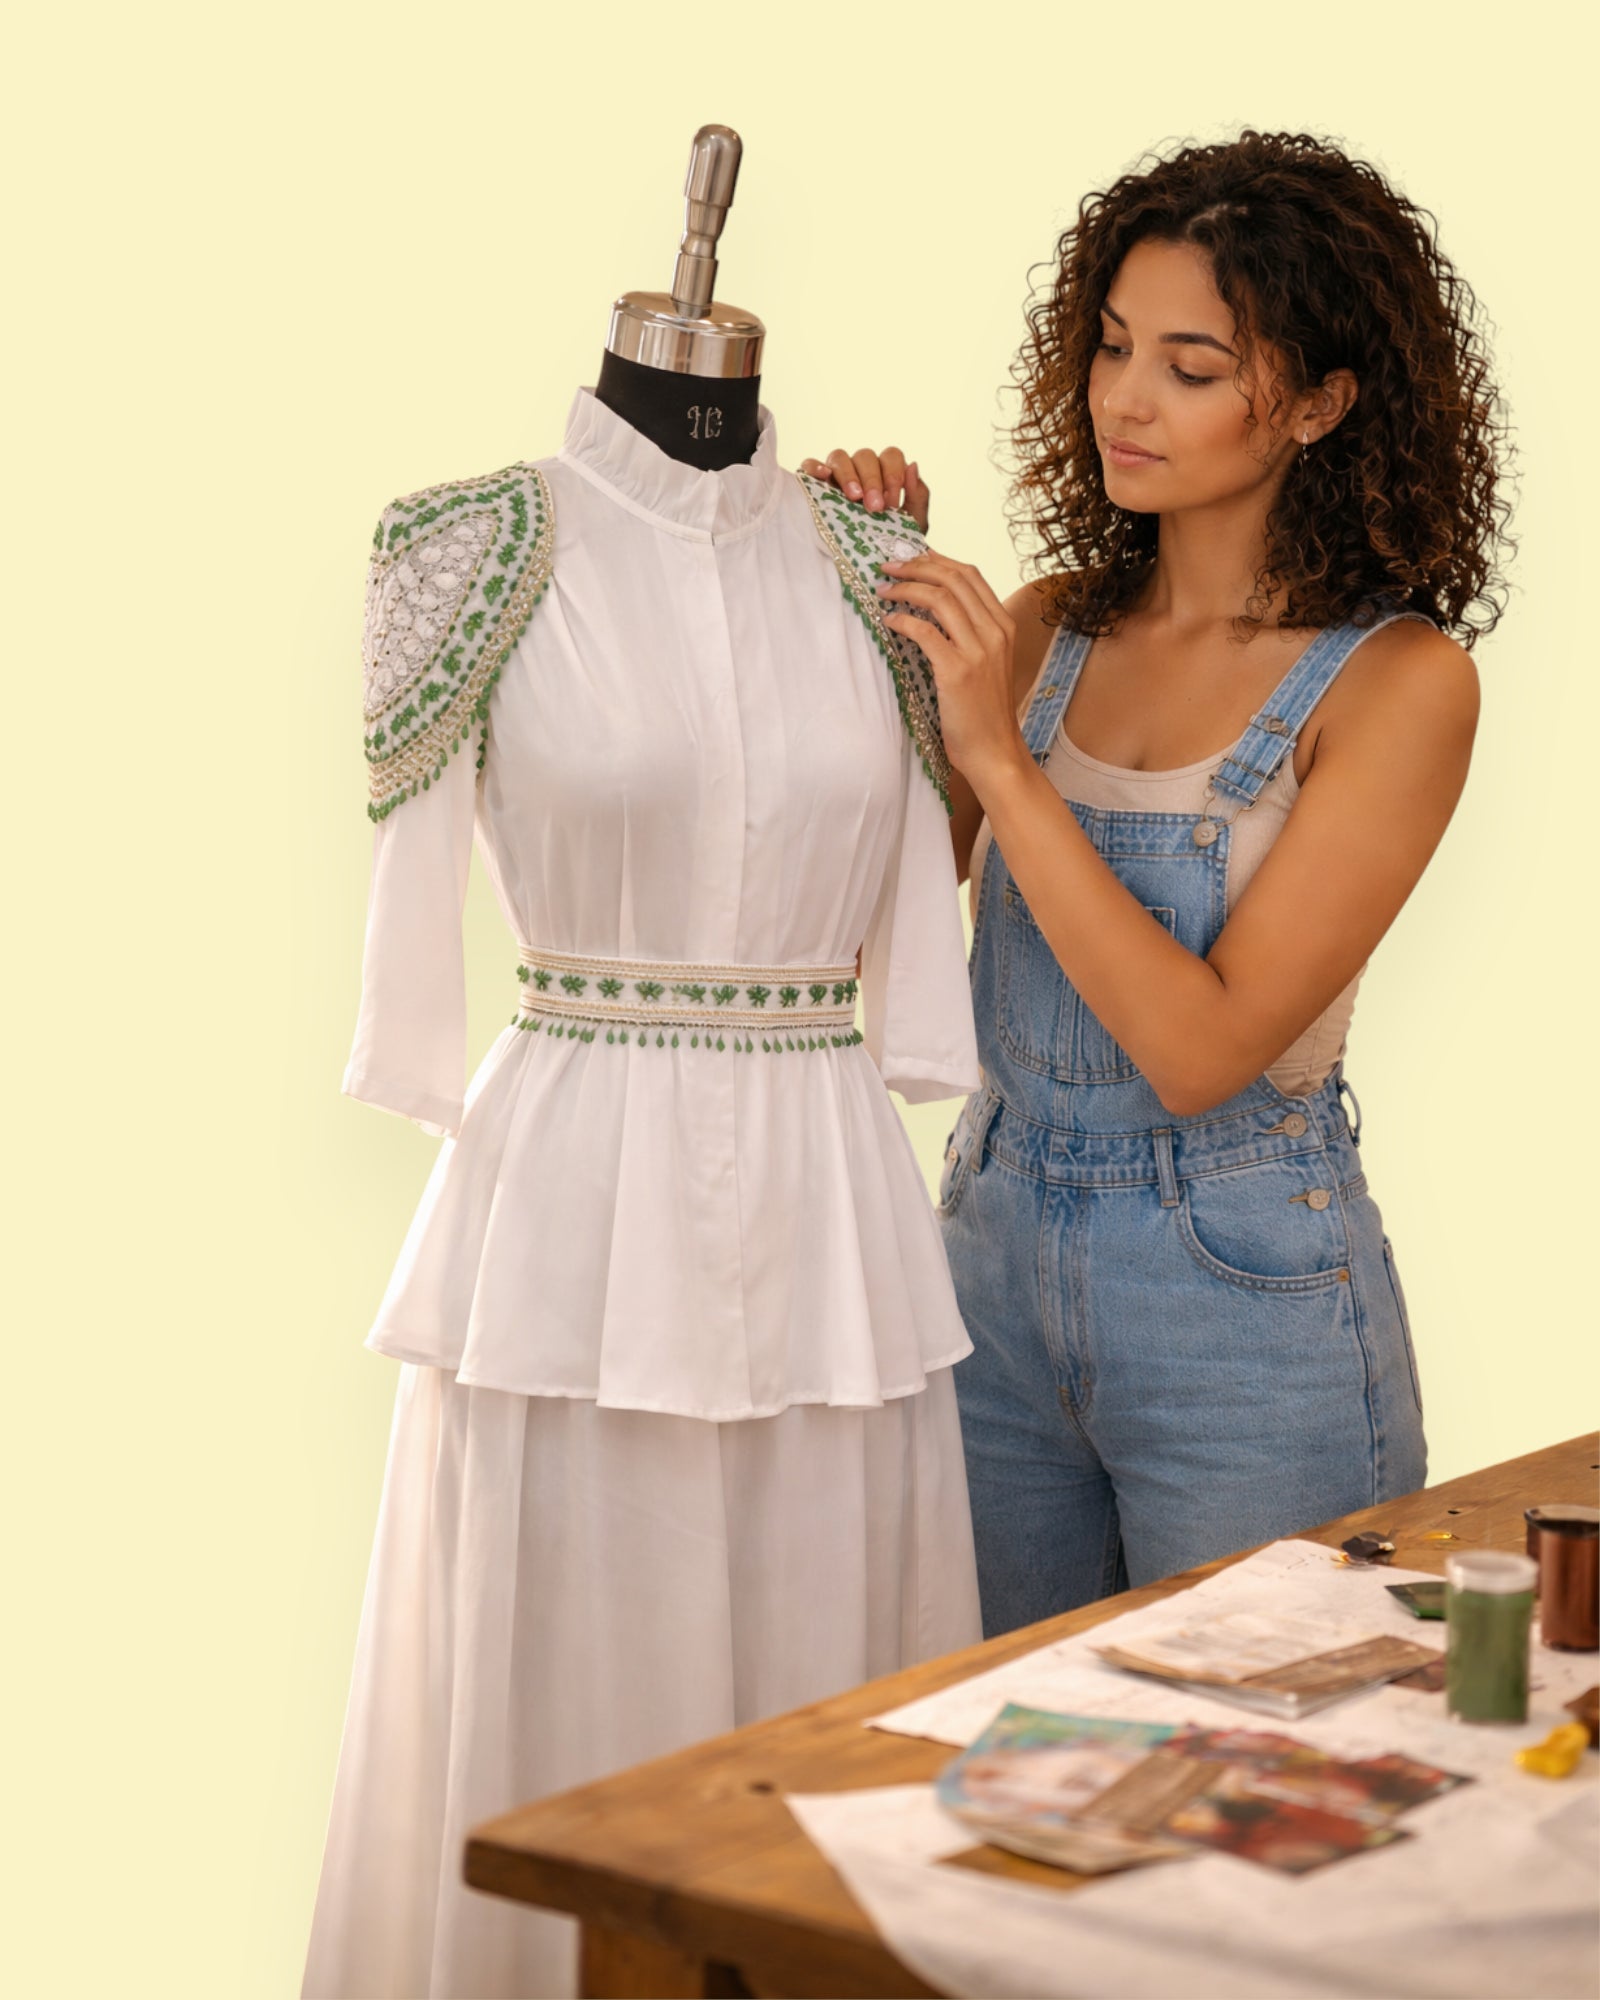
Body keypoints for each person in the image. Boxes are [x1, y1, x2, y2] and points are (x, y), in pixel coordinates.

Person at [803, 130, 1510, 1635]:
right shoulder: (1046, 627)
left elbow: (1202, 1050)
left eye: (1194, 367)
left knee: (1268, 1782)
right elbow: (866, 941)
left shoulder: (1396, 685)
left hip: (1243, 1297)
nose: (1126, 397)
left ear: (1322, 402)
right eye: (1114, 347)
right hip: (983, 1265)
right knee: (984, 1770)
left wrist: (998, 759)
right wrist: (854, 601)